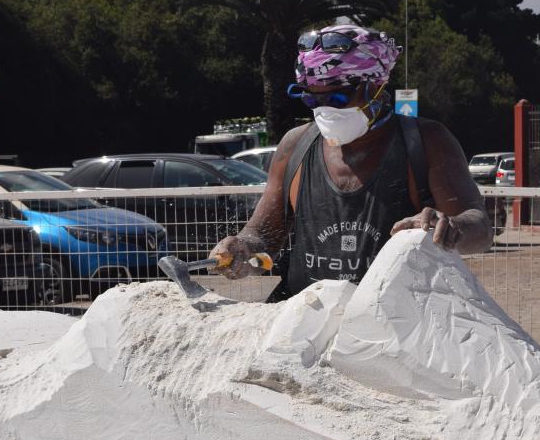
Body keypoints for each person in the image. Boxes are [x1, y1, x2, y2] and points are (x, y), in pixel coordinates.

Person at [210, 24, 493, 301]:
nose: (324, 109)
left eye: (337, 95)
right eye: (311, 97)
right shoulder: (295, 146)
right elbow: (264, 234)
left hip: (397, 321)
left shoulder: (426, 142)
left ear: (376, 85)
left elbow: (480, 228)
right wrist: (243, 247)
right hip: (306, 317)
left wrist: (452, 227)